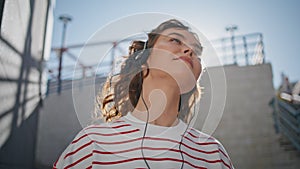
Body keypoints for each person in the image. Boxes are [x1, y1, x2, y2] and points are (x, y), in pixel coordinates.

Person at [53, 19, 234, 169]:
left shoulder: (213, 153)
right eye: (175, 41)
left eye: (196, 51)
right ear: (144, 60)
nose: (189, 51)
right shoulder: (92, 143)